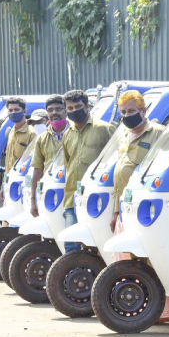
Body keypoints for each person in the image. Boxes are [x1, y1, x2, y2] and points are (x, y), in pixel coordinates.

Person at [109, 90, 169, 323]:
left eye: (132, 111)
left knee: (150, 260)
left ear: (144, 111)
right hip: (125, 207)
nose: (127, 116)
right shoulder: (123, 136)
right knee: (128, 259)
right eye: (124, 112)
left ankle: (162, 311)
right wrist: (116, 211)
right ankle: (140, 308)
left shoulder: (158, 134)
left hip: (145, 209)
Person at [61, 89, 115, 253]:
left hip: (97, 198)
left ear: (87, 106)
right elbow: (67, 164)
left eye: (78, 106)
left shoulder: (105, 129)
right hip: (72, 196)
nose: (73, 111)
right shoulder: (67, 134)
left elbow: (115, 161)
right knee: (71, 243)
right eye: (69, 108)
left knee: (98, 244)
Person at [30, 96, 68, 217]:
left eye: (58, 109)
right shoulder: (42, 139)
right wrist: (33, 200)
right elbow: (38, 170)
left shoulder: (76, 133)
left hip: (70, 194)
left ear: (66, 110)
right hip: (50, 194)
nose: (54, 113)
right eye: (50, 110)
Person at [3, 97, 36, 174]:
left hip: (22, 178)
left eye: (16, 110)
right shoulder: (11, 131)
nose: (13, 112)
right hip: (9, 177)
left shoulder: (32, 132)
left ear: (24, 112)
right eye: (10, 110)